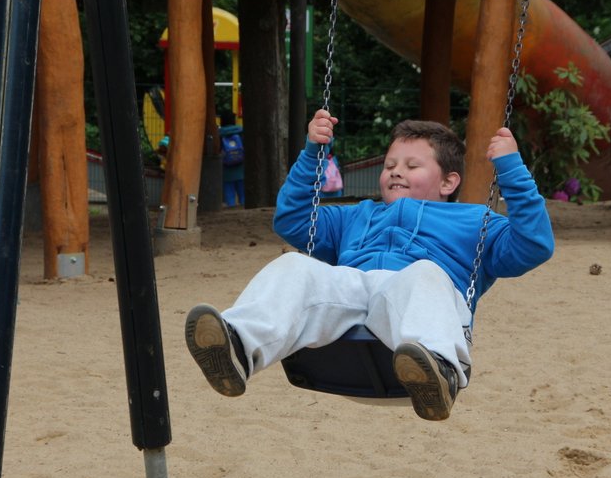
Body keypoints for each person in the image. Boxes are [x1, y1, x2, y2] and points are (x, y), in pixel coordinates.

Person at [184, 109, 553, 421]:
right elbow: (293, 220)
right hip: (351, 299)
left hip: (412, 315)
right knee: (294, 265)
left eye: (412, 165)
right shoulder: (356, 215)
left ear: (448, 182)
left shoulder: (476, 221)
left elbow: (533, 244)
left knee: (424, 273)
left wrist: (511, 169)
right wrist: (313, 153)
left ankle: (437, 370)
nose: (396, 171)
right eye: (390, 165)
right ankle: (238, 347)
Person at [220, 111, 245, 207]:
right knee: (243, 196)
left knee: (229, 196)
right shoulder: (241, 131)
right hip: (241, 169)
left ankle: (231, 205)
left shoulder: (219, 134)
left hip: (226, 170)